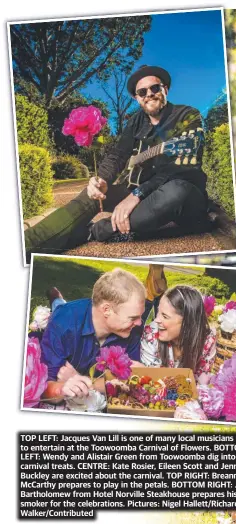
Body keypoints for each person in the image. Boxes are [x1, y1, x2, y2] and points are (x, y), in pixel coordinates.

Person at [24, 65, 212, 262]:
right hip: (140, 191)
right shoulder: (136, 121)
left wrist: (135, 196)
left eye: (155, 88)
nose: (149, 94)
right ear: (137, 98)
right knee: (90, 196)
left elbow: (177, 170)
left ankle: (96, 232)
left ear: (165, 89)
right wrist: (102, 180)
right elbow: (117, 155)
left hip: (181, 196)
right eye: (142, 92)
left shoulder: (187, 115)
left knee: (175, 191)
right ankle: (27, 244)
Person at [41, 268, 146, 400]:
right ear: (106, 310)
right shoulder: (63, 322)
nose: (139, 323)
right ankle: (55, 297)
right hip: (67, 315)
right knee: (58, 308)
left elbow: (128, 382)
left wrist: (84, 382)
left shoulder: (132, 329)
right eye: (133, 317)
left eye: (140, 316)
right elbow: (44, 387)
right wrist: (63, 388)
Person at [140, 285, 217, 384]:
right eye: (158, 312)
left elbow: (202, 383)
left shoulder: (207, 339)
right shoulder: (150, 335)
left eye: (165, 316)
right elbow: (152, 382)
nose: (156, 320)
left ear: (187, 322)